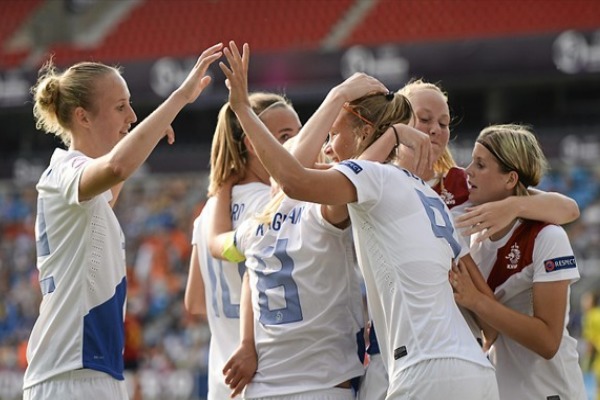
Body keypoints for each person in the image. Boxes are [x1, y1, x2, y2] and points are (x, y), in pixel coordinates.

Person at [219, 41, 499, 400]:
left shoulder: (373, 180)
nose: (328, 145)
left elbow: (292, 178)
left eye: (334, 134)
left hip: (420, 367)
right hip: (474, 365)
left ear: (365, 132)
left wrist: (243, 109)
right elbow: (488, 318)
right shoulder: (429, 196)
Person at [357, 78, 581, 400]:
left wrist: (514, 205)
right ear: (398, 122)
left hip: (455, 355)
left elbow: (567, 207)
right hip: (393, 342)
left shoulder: (464, 186)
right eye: (424, 118)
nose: (435, 129)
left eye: (444, 122)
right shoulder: (375, 182)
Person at [23, 43, 223, 400]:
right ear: (83, 117)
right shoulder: (66, 171)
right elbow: (117, 166)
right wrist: (178, 99)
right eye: (121, 107)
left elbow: (113, 181)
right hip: (70, 372)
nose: (131, 116)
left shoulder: (82, 184)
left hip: (90, 370)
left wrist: (140, 138)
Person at [213, 71, 408, 400]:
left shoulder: (254, 225)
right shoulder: (323, 213)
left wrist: (221, 187)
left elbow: (222, 248)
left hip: (265, 386)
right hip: (322, 384)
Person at [450, 124, 586, 400]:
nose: (468, 171)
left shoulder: (546, 237)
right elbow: (490, 336)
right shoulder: (475, 243)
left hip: (553, 393)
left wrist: (477, 300)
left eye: (480, 164)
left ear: (510, 179)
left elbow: (548, 341)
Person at [184, 91, 301, 400]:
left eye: (299, 134)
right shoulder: (278, 206)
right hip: (273, 379)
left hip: (223, 383)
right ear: (253, 143)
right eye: (285, 136)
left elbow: (195, 302)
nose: (297, 145)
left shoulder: (209, 213)